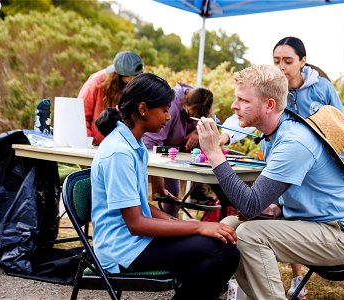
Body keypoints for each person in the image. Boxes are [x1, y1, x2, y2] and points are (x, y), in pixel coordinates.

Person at [196, 64, 344, 299]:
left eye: (243, 100)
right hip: (314, 223)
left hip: (342, 236)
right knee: (227, 227)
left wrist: (214, 153)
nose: (235, 106)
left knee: (248, 235)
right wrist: (274, 208)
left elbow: (250, 204)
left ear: (269, 105)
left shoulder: (293, 142)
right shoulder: (273, 133)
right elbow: (269, 199)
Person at [91, 73, 239, 300]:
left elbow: (142, 206)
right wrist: (197, 227)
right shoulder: (118, 151)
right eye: (164, 109)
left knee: (218, 245)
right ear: (143, 109)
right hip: (122, 249)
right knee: (222, 253)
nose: (169, 117)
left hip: (136, 241)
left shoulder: (134, 144)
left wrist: (179, 223)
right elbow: (136, 223)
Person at [142, 83, 216, 217]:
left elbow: (213, 122)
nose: (192, 115)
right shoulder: (172, 106)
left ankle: (197, 190)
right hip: (163, 147)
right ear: (185, 103)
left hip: (183, 148)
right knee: (173, 192)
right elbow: (151, 141)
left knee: (206, 135)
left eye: (197, 115)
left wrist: (196, 132)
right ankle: (169, 222)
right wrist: (157, 177)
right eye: (191, 112)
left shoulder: (203, 103)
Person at [79, 50, 144, 145]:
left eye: (139, 75)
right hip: (95, 145)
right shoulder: (96, 82)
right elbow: (81, 115)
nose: (137, 78)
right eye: (135, 76)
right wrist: (88, 143)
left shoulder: (138, 86)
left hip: (123, 146)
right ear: (122, 74)